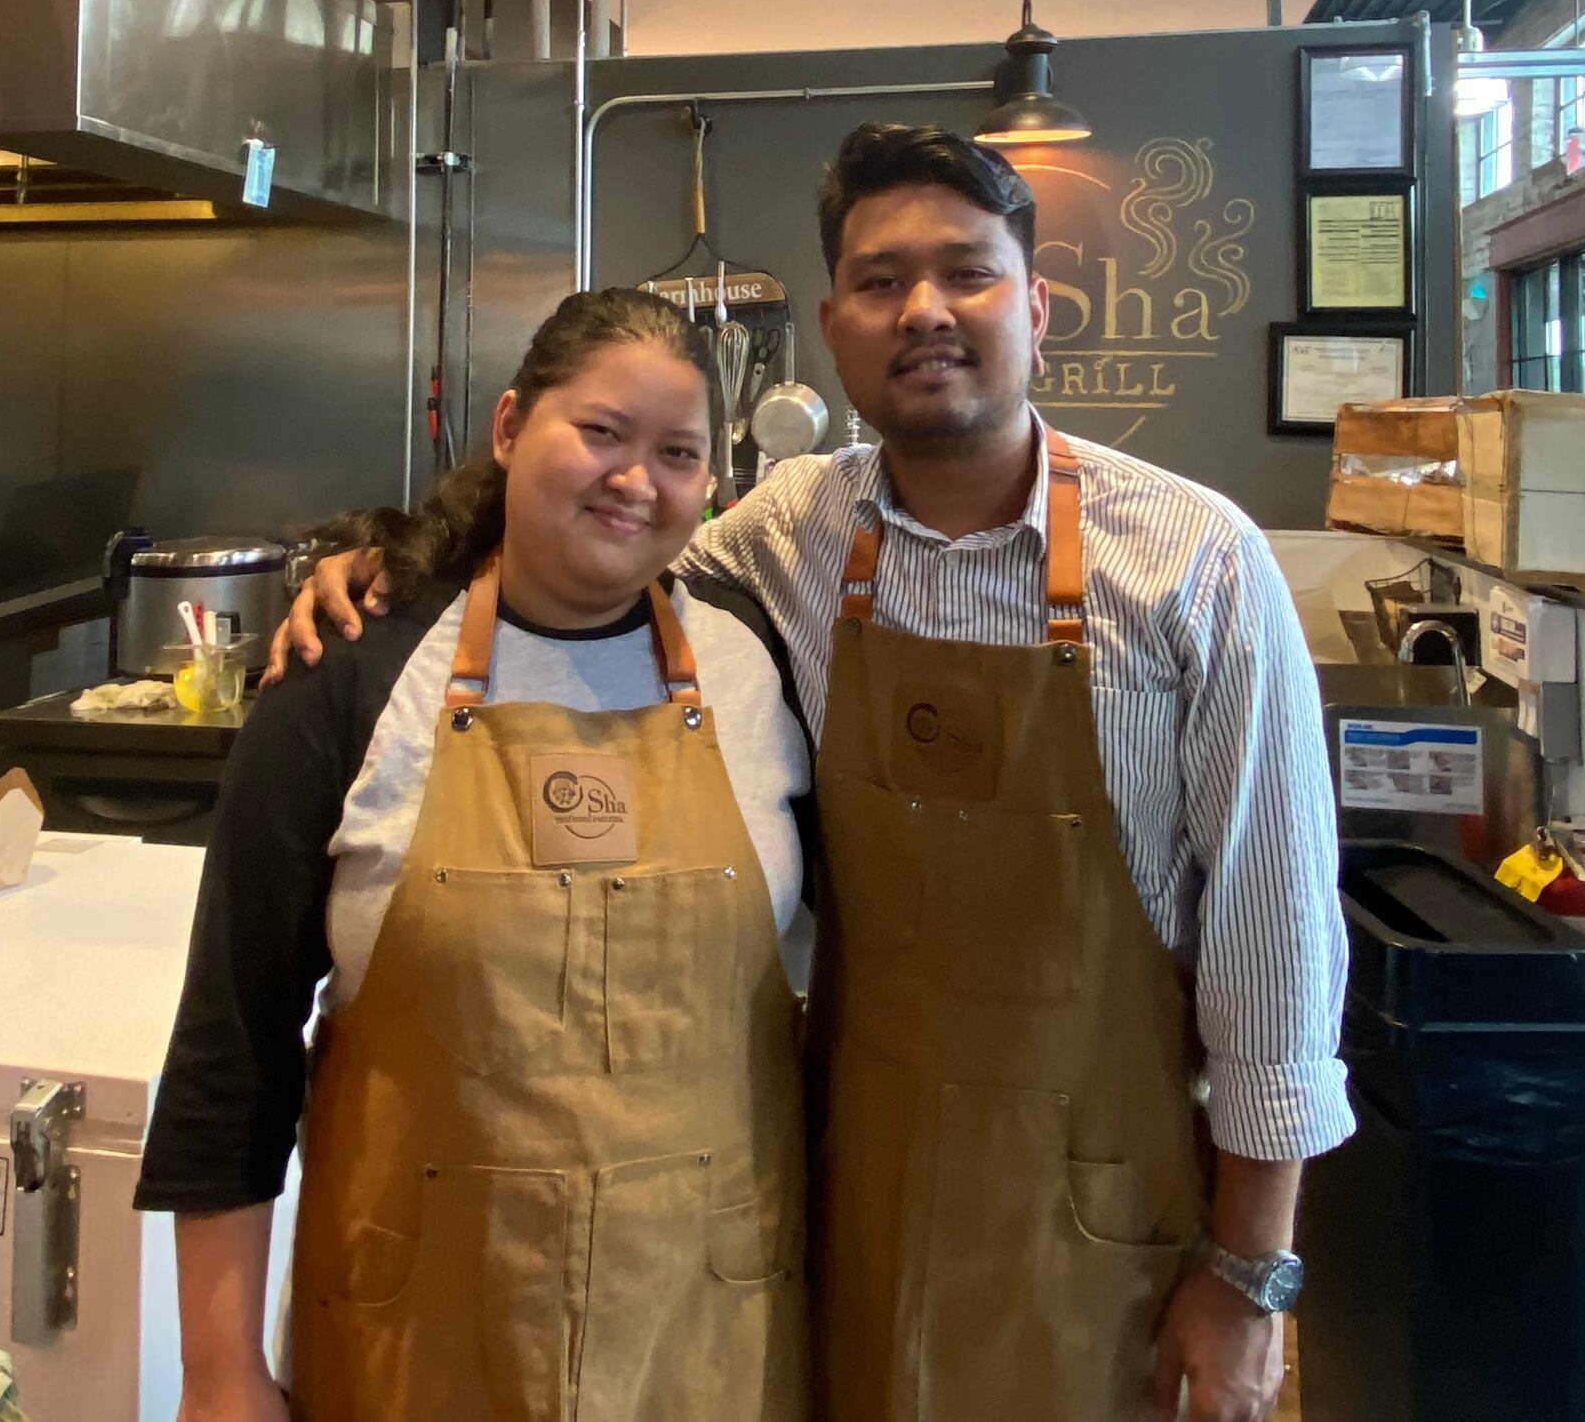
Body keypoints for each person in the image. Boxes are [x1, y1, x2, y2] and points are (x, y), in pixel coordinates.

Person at [273, 124, 1352, 1422]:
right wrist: (394, 562)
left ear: (1041, 305)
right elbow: (598, 539)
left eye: (969, 273)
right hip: (843, 1216)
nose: (928, 312)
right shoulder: (793, 525)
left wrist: (1248, 1277)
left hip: (1113, 1235)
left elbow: (1276, 959)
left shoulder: (1200, 566)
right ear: (838, 327)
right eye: (884, 281)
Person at [138, 289, 812, 1422]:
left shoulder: (756, 663)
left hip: (706, 1342)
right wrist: (218, 1374)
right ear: (508, 429)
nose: (635, 479)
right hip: (413, 1340)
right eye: (599, 432)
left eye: (678, 453)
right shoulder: (351, 669)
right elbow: (232, 1044)